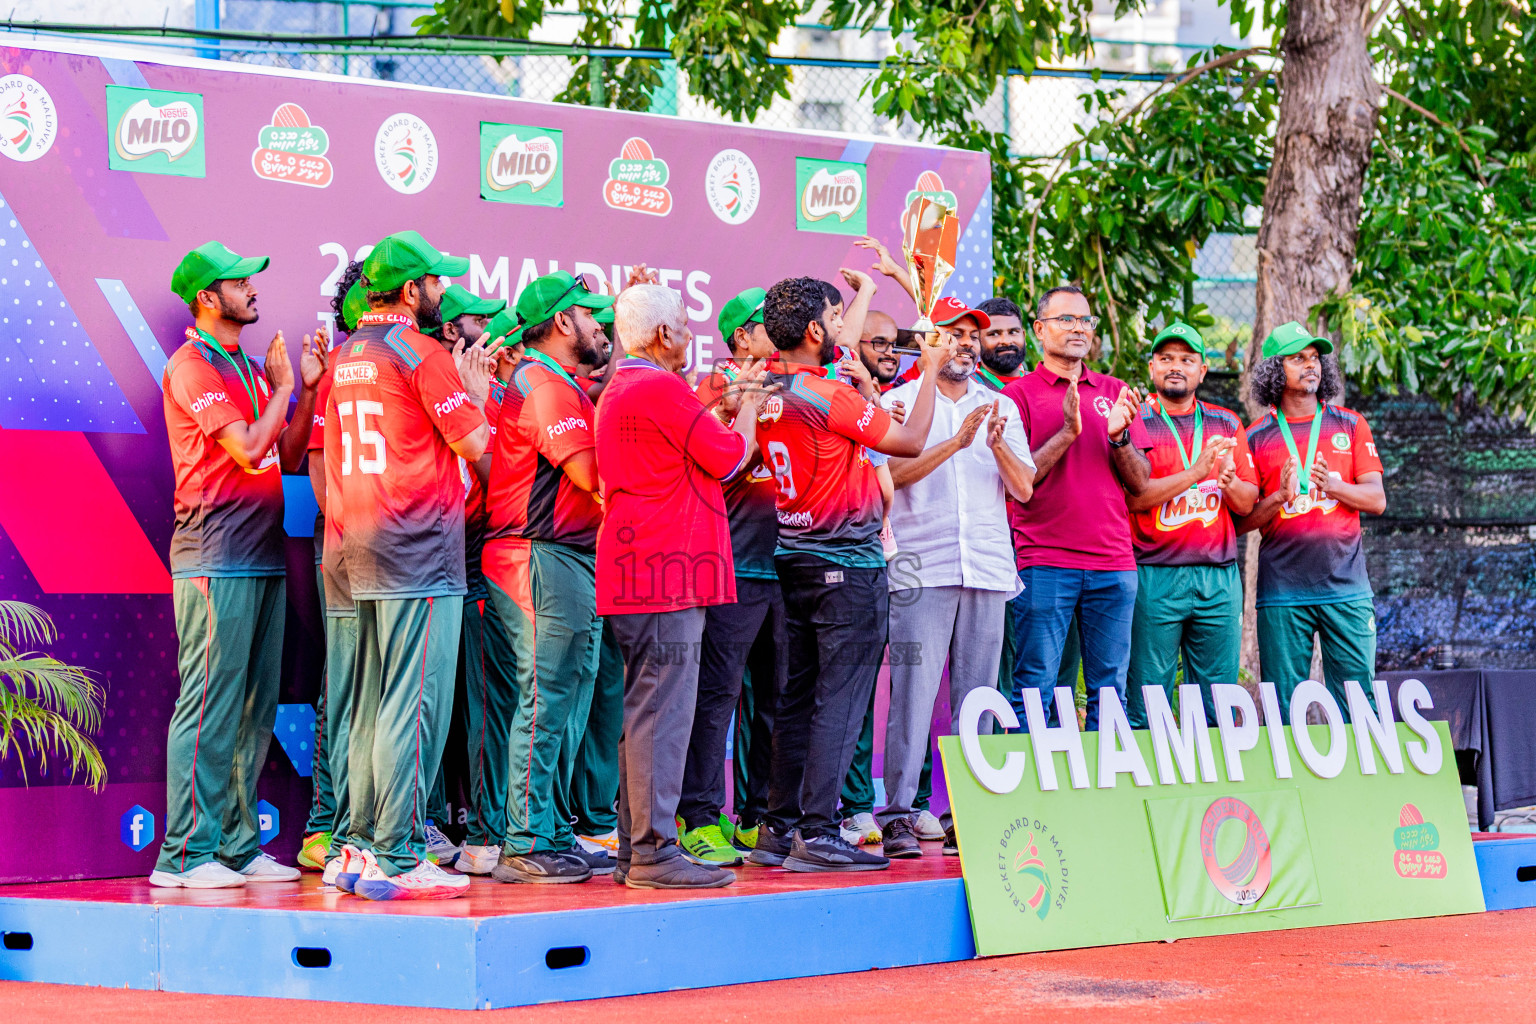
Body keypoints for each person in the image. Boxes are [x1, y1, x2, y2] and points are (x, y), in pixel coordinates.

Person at [749, 276, 946, 873]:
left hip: (796, 558)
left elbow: (846, 431)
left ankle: (777, 830)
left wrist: (860, 382)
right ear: (815, 331)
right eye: (836, 319)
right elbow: (910, 440)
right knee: (841, 700)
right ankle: (819, 832)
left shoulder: (773, 390)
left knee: (799, 696)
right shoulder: (828, 395)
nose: (845, 330)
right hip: (847, 565)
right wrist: (931, 369)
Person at [151, 241, 324, 889]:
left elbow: (289, 449)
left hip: (263, 552)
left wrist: (299, 392)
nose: (253, 286)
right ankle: (183, 856)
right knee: (208, 704)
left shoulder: (250, 366)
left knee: (253, 707)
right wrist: (281, 386)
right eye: (239, 280)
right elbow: (250, 450)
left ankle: (235, 844)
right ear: (206, 297)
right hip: (213, 556)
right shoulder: (192, 366)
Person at [325, 230, 492, 901]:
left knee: (370, 707)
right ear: (409, 290)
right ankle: (395, 852)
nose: (443, 291)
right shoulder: (419, 352)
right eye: (436, 281)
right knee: (412, 707)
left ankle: (359, 849)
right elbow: (477, 443)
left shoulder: (349, 352)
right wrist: (475, 390)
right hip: (419, 549)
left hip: (358, 547)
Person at [596, 283, 770, 889]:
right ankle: (652, 850)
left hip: (643, 570)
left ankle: (636, 847)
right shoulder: (658, 387)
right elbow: (727, 457)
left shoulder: (624, 386)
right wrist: (746, 402)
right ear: (664, 335)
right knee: (662, 715)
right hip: (665, 574)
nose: (692, 339)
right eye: (686, 328)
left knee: (645, 714)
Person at [878, 296, 1035, 858]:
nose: (967, 343)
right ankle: (897, 813)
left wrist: (994, 447)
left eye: (974, 335)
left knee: (977, 700)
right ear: (928, 340)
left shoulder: (1002, 408)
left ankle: (967, 811)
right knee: (914, 697)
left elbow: (1023, 488)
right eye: (955, 333)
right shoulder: (897, 402)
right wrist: (954, 444)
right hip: (922, 567)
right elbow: (891, 475)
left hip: (988, 567)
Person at [481, 271, 612, 884]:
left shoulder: (563, 383)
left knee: (570, 692)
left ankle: (552, 828)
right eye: (592, 315)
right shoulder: (543, 384)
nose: (601, 326)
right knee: (547, 693)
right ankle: (526, 839)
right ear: (563, 322)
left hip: (567, 555)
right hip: (536, 554)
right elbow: (593, 478)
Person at [1001, 285, 1153, 731]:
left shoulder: (1115, 391)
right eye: (1065, 320)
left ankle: (1103, 797)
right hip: (1045, 561)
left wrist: (1119, 437)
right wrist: (1068, 430)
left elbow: (1140, 482)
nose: (1077, 329)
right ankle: (1027, 795)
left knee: (1110, 690)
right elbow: (1019, 483)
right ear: (1039, 329)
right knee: (1035, 686)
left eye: (1084, 320)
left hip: (1114, 564)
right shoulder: (1018, 397)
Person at [675, 287, 784, 863]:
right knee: (715, 700)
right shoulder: (712, 388)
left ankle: (757, 815)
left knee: (775, 699)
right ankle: (697, 815)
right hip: (732, 565)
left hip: (785, 566)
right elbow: (708, 464)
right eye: (770, 322)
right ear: (742, 335)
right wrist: (731, 406)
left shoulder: (796, 386)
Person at [1239, 321, 1386, 715]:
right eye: (1297, 358)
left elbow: (1376, 499)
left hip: (1347, 590)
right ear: (1274, 370)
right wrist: (1280, 498)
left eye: (1315, 358)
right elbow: (1242, 521)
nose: (1311, 366)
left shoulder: (1351, 424)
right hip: (1283, 593)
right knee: (1282, 709)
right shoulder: (1254, 437)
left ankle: (1361, 778)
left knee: (1359, 706)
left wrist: (1335, 487)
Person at [1124, 322, 1259, 726]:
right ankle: (1148, 783)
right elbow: (1135, 498)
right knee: (1149, 698)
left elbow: (1248, 500)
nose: (1176, 366)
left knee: (1218, 699)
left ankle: (1216, 786)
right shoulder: (1137, 419)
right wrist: (1198, 471)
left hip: (1217, 577)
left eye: (1187, 359)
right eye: (1166, 359)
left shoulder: (1225, 423)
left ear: (1203, 370)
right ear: (1151, 368)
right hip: (1154, 573)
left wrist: (1229, 479)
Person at [416, 283, 508, 869]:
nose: (492, 330)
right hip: (453, 554)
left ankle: (473, 826)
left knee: (471, 704)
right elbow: (491, 471)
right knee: (459, 705)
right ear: (451, 331)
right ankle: (471, 831)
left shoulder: (488, 388)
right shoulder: (434, 381)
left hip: (473, 559)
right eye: (478, 320)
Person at [299, 271, 367, 878]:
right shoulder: (346, 362)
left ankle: (362, 822)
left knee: (369, 685)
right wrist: (343, 528)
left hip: (376, 546)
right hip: (349, 542)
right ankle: (326, 826)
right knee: (344, 681)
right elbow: (319, 463)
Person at [974, 297, 1029, 392]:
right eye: (994, 334)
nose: (1006, 341)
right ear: (977, 340)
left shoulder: (1041, 385)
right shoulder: (966, 388)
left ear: (1023, 336)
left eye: (1013, 332)